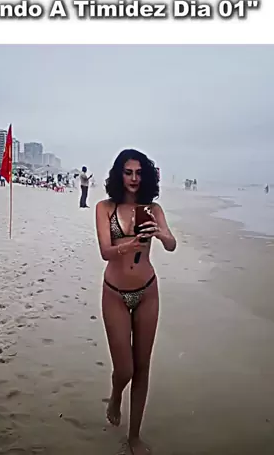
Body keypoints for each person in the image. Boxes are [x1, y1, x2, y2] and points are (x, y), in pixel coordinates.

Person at [95, 149, 177, 455]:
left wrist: (160, 233)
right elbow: (105, 251)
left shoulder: (153, 209)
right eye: (128, 172)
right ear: (119, 174)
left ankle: (134, 437)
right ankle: (116, 393)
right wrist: (131, 243)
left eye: (139, 173)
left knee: (142, 367)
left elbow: (171, 244)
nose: (133, 178)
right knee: (125, 369)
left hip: (147, 291)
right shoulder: (105, 208)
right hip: (114, 293)